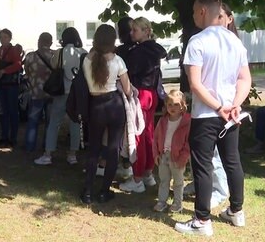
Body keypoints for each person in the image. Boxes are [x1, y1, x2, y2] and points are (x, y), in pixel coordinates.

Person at [174, 0, 251, 236]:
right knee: (232, 161)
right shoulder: (235, 42)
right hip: (230, 113)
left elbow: (195, 84)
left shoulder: (197, 41)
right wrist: (235, 104)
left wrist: (219, 107)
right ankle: (236, 211)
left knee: (203, 165)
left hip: (208, 113)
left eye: (196, 11)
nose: (194, 15)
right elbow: (245, 79)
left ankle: (202, 220)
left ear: (203, 12)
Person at [80, 24, 130, 204]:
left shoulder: (87, 60)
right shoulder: (118, 61)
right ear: (113, 41)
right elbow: (128, 89)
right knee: (113, 148)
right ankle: (104, 191)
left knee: (93, 148)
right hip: (114, 105)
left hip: (96, 106)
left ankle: (87, 191)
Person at [119, 17, 166, 193]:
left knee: (137, 135)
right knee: (147, 134)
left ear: (146, 31)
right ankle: (147, 173)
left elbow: (131, 72)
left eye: (135, 30)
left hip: (141, 93)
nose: (131, 33)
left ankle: (138, 178)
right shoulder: (153, 49)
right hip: (152, 93)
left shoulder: (139, 51)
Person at [35, 27, 87, 165]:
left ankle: (48, 154)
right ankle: (72, 154)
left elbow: (54, 65)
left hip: (62, 91)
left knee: (54, 123)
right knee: (75, 123)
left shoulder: (60, 52)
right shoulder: (83, 52)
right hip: (76, 93)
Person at [152, 90, 191, 213]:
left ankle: (177, 203)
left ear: (183, 106)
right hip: (163, 155)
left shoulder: (187, 122)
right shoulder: (163, 121)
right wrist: (156, 154)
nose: (172, 108)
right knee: (164, 180)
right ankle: (162, 201)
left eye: (176, 105)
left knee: (178, 182)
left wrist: (183, 158)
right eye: (170, 104)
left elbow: (188, 143)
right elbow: (155, 138)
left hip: (178, 157)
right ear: (165, 106)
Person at [0, 29, 23, 147]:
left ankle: (13, 137)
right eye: (1, 36)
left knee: (12, 111)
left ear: (9, 38)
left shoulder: (13, 50)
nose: (2, 39)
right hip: (0, 85)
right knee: (3, 111)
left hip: (11, 85)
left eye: (5, 37)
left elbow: (18, 65)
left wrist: (3, 71)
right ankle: (4, 136)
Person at [23, 33, 54, 152]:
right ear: (50, 42)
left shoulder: (31, 56)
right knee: (50, 122)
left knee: (33, 121)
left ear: (39, 41)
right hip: (51, 92)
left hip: (36, 92)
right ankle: (47, 146)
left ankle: (30, 146)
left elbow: (27, 71)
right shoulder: (54, 55)